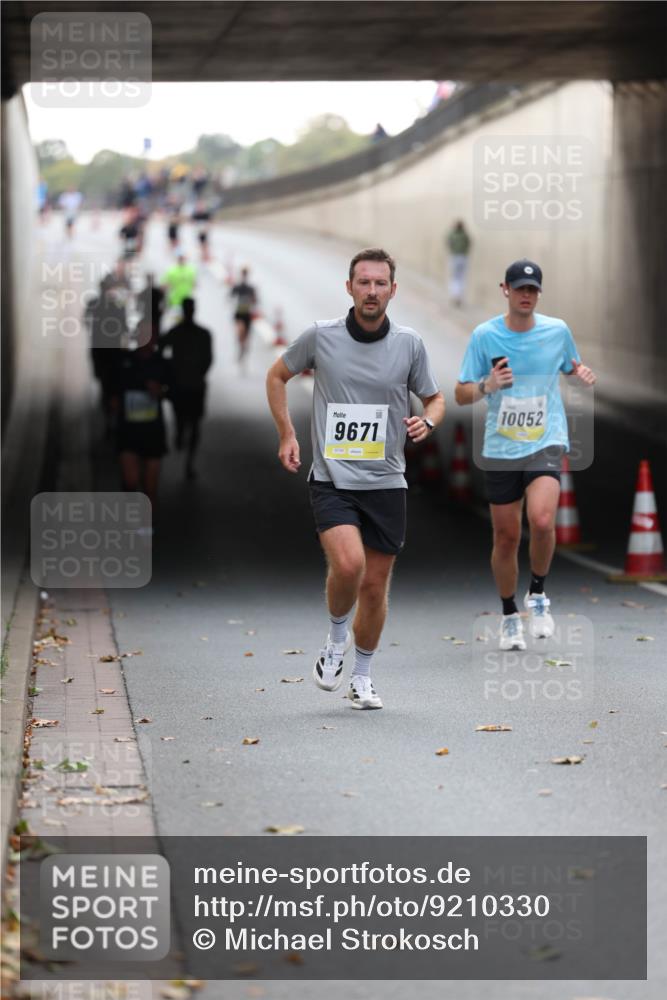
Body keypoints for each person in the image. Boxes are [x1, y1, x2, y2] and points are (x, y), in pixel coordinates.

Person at [266, 248, 445, 710]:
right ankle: (334, 638)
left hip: (387, 481)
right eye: (363, 282)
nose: (371, 291)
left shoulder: (409, 344)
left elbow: (435, 398)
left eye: (380, 283)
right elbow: (277, 375)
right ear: (349, 287)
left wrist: (429, 421)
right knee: (348, 566)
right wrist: (287, 432)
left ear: (392, 290)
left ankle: (362, 676)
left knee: (374, 586)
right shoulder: (320, 338)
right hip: (333, 478)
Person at [455, 259, 596, 651]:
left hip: (546, 440)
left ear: (539, 294)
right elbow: (460, 393)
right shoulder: (485, 336)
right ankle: (508, 615)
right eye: (519, 289)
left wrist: (581, 374)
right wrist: (488, 385)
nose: (526, 295)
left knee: (543, 519)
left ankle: (537, 594)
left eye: (532, 290)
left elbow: (571, 365)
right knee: (506, 537)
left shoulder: (556, 331)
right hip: (501, 448)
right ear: (505, 289)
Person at [109, 321, 170, 512]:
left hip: (153, 433)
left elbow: (173, 390)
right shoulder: (124, 362)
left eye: (152, 335)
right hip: (128, 432)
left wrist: (160, 391)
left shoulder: (162, 364)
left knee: (150, 488)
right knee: (131, 481)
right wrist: (114, 403)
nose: (148, 340)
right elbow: (112, 393)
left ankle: (144, 532)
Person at [159, 298, 213, 480]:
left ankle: (181, 436)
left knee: (183, 418)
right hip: (194, 385)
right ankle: (189, 461)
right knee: (194, 424)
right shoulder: (203, 334)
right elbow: (208, 360)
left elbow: (159, 351)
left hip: (180, 385)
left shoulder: (175, 332)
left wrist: (170, 371)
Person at [230, 267, 258, 369]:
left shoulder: (251, 288)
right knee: (240, 331)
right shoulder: (237, 286)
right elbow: (231, 296)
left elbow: (255, 300)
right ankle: (240, 346)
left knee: (246, 336)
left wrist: (252, 301)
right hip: (239, 313)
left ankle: (243, 349)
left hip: (247, 314)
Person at [161, 254, 197, 324]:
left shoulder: (191, 271)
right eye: (180, 258)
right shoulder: (172, 271)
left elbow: (194, 284)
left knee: (186, 322)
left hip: (187, 301)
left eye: (183, 258)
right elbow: (164, 285)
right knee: (176, 322)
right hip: (175, 302)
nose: (181, 260)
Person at [446, 220, 471, 307]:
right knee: (461, 278)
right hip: (463, 258)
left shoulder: (453, 235)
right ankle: (459, 297)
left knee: (455, 278)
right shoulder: (465, 235)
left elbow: (448, 243)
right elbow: (469, 244)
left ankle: (455, 296)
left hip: (455, 257)